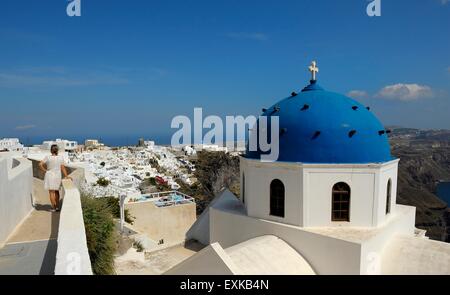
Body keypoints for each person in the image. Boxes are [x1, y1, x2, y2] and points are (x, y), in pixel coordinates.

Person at [39, 144, 71, 212]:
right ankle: (57, 207)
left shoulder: (47, 157)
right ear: (57, 150)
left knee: (51, 192)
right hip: (57, 176)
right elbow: (63, 168)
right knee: (56, 192)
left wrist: (45, 170)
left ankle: (54, 208)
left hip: (49, 175)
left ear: (51, 150)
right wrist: (66, 176)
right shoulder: (60, 157)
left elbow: (40, 164)